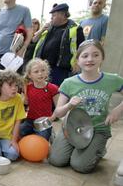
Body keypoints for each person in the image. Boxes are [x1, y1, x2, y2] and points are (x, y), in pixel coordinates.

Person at [49, 40, 123, 174]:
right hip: (73, 128)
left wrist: (118, 110)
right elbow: (58, 113)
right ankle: (75, 147)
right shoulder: (69, 83)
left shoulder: (112, 79)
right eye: (85, 56)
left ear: (102, 58)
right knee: (56, 160)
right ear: (77, 60)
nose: (90, 59)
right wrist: (69, 105)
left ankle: (98, 148)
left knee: (79, 166)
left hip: (98, 129)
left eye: (95, 55)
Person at [33, 3, 85, 86]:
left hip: (60, 69)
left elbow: (82, 47)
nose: (51, 17)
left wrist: (77, 63)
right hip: (43, 67)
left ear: (63, 15)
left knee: (57, 92)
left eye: (54, 15)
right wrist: (42, 30)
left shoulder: (75, 28)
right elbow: (34, 40)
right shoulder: (49, 27)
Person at [20, 59, 59, 141]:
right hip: (29, 120)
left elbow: (59, 107)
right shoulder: (27, 87)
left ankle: (50, 134)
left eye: (43, 70)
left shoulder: (52, 88)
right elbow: (24, 102)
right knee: (18, 132)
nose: (40, 74)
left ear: (47, 72)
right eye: (36, 72)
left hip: (45, 121)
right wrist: (24, 95)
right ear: (30, 75)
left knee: (41, 138)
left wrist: (51, 118)